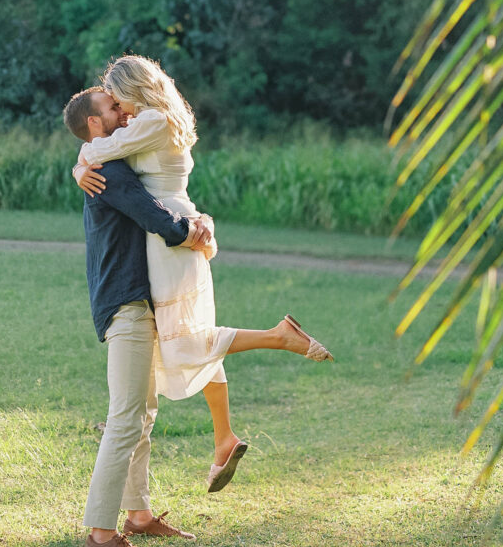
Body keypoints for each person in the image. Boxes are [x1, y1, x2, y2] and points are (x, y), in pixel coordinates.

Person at [72, 55, 334, 495]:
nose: (119, 109)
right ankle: (223, 437)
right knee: (188, 335)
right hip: (176, 228)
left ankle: (279, 336)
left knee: (187, 340)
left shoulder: (151, 120)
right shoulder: (161, 118)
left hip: (171, 238)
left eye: (118, 99)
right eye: (113, 104)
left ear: (135, 90)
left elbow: (97, 148)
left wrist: (80, 165)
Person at [63, 85, 214, 547]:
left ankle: (140, 516)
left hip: (136, 299)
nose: (122, 114)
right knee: (126, 417)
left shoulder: (107, 163)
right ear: (94, 123)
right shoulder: (107, 172)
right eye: (112, 109)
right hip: (125, 302)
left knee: (142, 415)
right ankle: (101, 535)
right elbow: (156, 219)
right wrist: (194, 230)